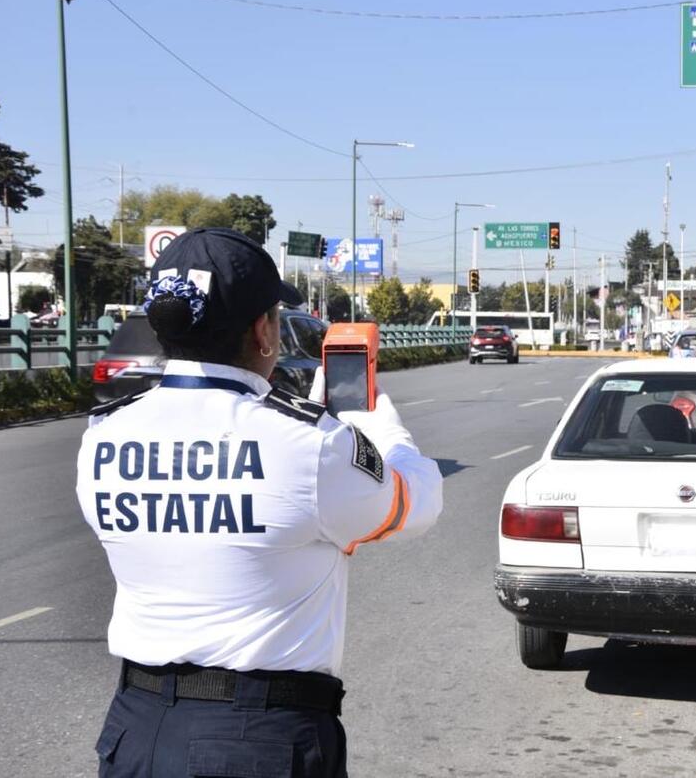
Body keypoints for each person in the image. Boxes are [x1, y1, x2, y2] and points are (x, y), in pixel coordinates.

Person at [77, 228, 443, 777]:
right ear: (264, 330)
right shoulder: (309, 442)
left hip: (135, 731)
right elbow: (417, 506)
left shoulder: (103, 434)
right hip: (256, 739)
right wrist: (374, 427)